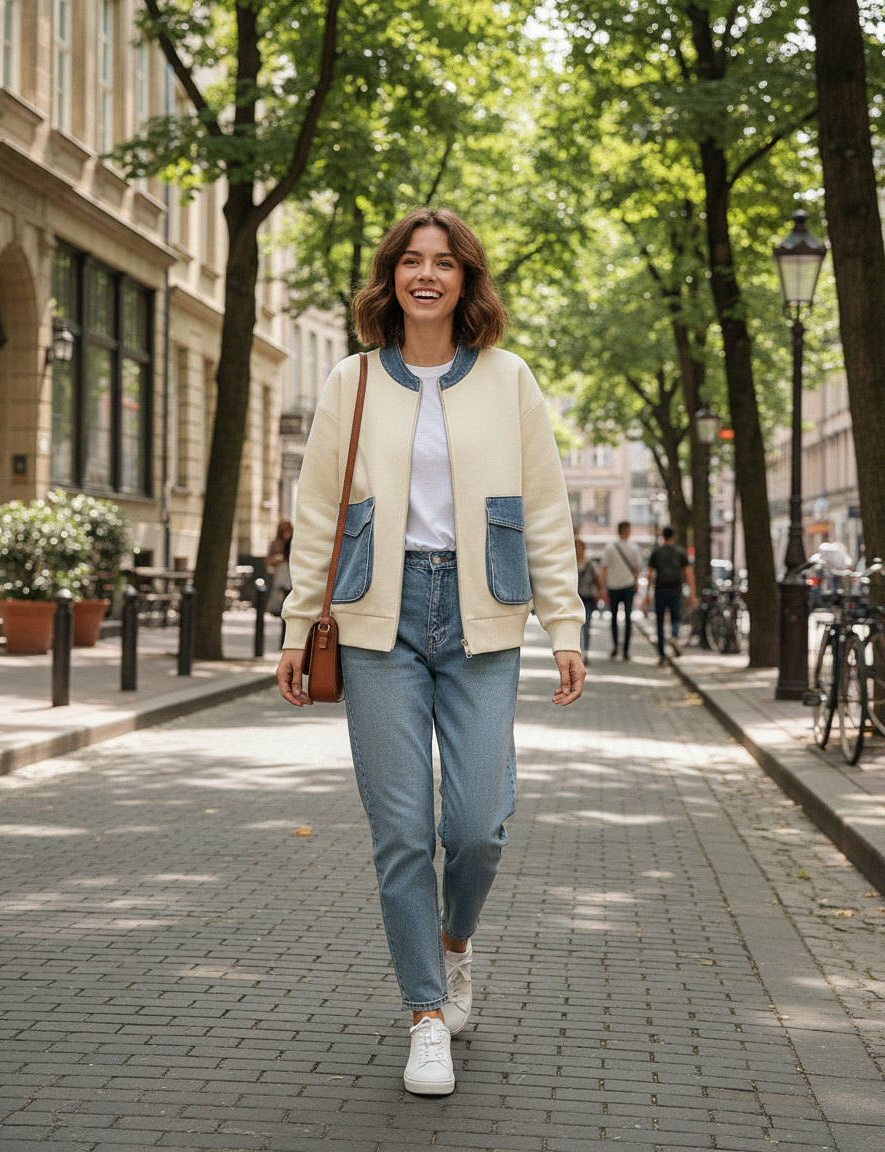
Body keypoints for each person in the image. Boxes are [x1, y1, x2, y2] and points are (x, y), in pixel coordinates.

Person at [275, 207, 585, 1097]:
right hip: (379, 617)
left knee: (478, 826)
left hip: (483, 613)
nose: (426, 275)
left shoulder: (509, 378)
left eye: (444, 262)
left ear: (465, 280)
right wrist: (297, 626)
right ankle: (425, 1014)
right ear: (390, 277)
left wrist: (564, 625)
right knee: (404, 832)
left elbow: (545, 510)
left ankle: (454, 943)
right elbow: (317, 514)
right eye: (411, 261)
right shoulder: (351, 380)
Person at [646, 525, 696, 664]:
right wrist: (692, 593)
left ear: (662, 536)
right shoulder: (680, 552)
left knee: (660, 622)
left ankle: (662, 655)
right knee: (675, 618)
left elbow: (650, 573)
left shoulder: (657, 552)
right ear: (674, 536)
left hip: (660, 590)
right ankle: (674, 636)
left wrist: (648, 594)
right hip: (675, 590)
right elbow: (689, 573)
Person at [600, 521, 641, 660]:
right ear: (627, 530)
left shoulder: (609, 547)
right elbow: (637, 568)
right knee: (628, 617)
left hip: (613, 586)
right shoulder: (634, 547)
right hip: (628, 585)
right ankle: (626, 651)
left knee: (614, 617)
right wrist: (636, 582)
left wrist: (602, 587)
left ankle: (615, 646)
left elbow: (604, 568)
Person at [575, 538, 603, 664]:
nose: (578, 550)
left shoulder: (591, 565)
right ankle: (576, 653)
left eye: (580, 547)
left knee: (586, 626)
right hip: (574, 600)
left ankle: (585, 653)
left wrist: (599, 594)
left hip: (587, 599)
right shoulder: (569, 565)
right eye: (576, 547)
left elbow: (599, 582)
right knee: (575, 628)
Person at [265, 519, 293, 618]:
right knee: (279, 589)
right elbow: (268, 559)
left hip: (290, 571)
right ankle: (277, 609)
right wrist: (276, 560)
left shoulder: (293, 542)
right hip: (280, 571)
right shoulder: (275, 543)